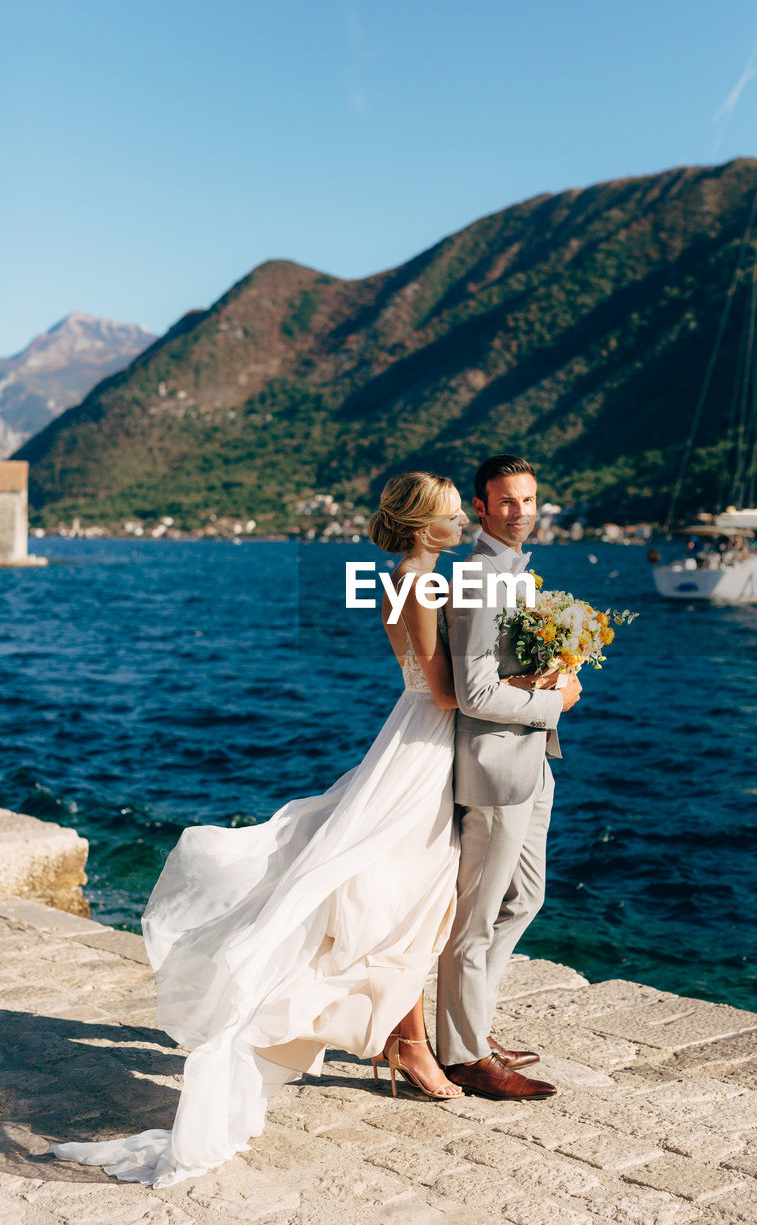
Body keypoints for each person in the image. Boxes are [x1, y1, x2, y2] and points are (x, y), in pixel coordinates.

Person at [52, 472, 469, 1187]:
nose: (463, 520)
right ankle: (403, 1043)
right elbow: (440, 689)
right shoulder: (422, 583)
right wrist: (531, 677)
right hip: (426, 741)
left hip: (409, 735)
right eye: (453, 513)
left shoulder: (406, 576)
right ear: (425, 523)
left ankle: (404, 1042)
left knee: (405, 895)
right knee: (407, 897)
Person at [437, 454, 582, 1099]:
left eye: (527, 500)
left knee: (524, 899)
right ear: (482, 506)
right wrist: (557, 699)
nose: (519, 512)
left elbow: (508, 668)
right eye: (506, 502)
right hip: (496, 765)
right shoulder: (478, 577)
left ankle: (475, 1025)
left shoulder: (515, 574)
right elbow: (472, 693)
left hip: (533, 759)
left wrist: (557, 669)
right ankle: (462, 1054)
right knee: (475, 917)